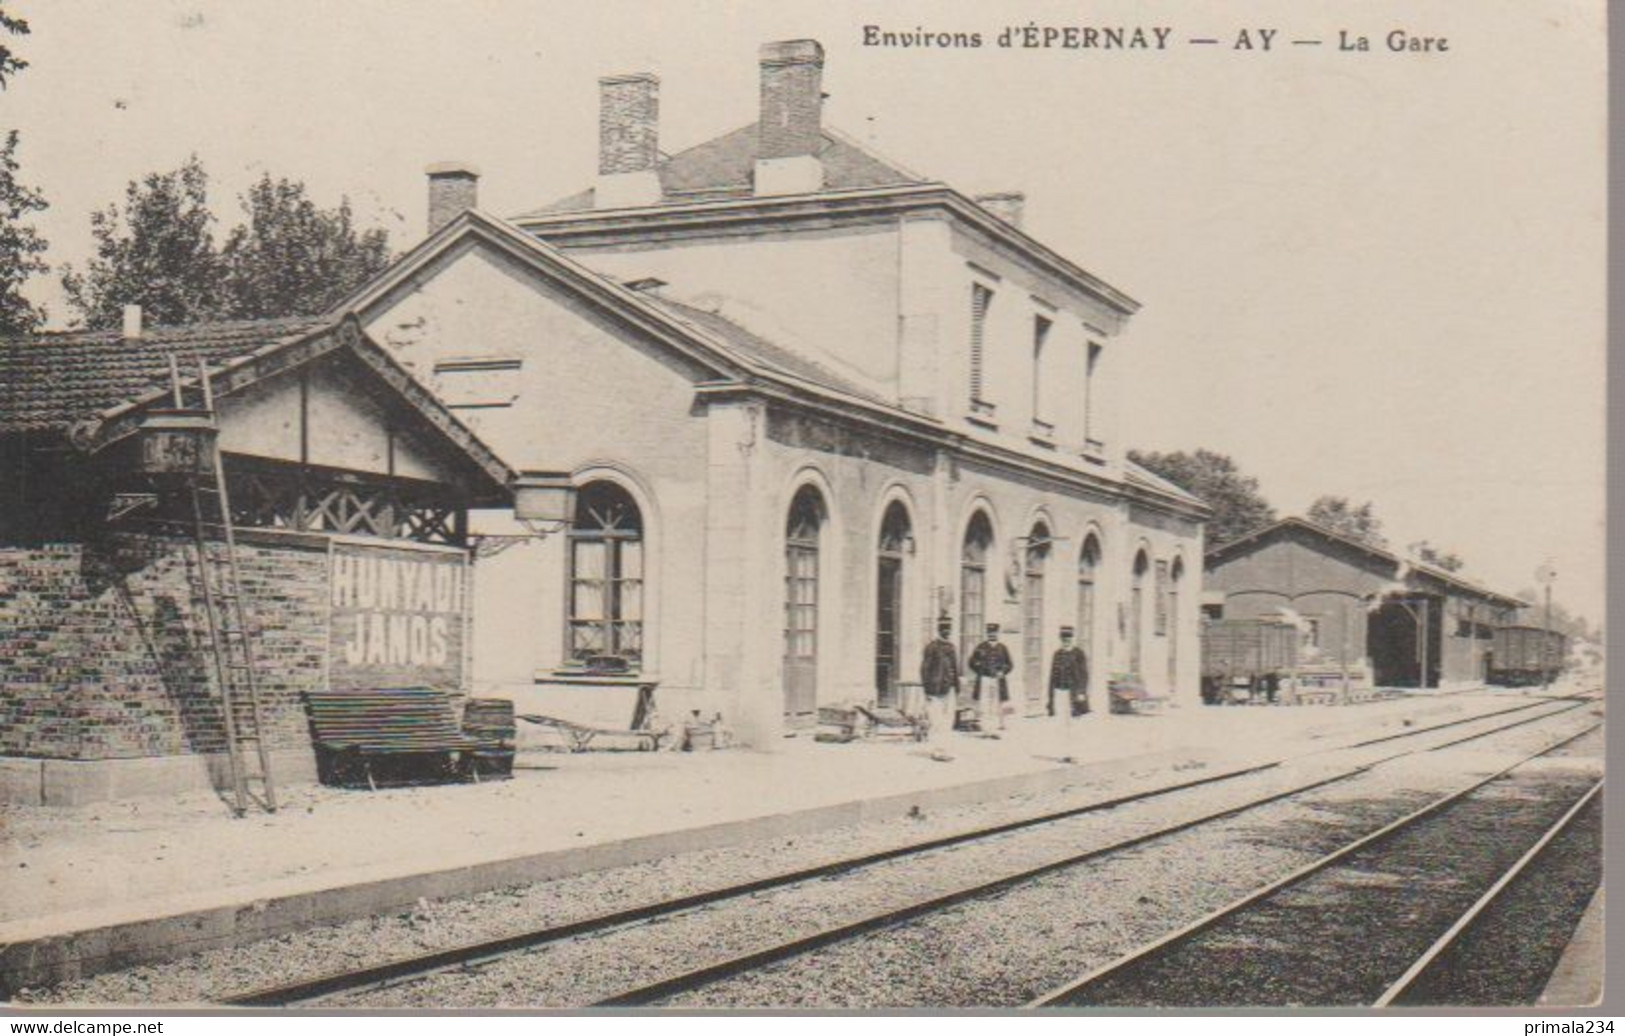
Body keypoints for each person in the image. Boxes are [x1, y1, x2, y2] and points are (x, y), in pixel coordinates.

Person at [919, 616, 961, 761]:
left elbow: (955, 669)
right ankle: (937, 751)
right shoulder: (932, 647)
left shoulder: (951, 647)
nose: (946, 632)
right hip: (935, 691)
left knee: (948, 721)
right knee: (936, 722)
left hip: (949, 689)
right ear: (939, 629)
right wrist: (928, 691)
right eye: (943, 629)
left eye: (948, 629)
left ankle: (945, 749)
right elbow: (924, 670)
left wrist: (956, 686)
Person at [1048, 625, 1090, 763]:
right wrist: (1051, 697)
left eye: (1069, 638)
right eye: (1064, 639)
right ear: (1061, 639)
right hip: (1060, 692)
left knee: (1073, 723)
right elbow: (1052, 676)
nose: (1067, 641)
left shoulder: (1079, 654)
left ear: (1073, 638)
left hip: (1073, 694)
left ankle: (1075, 753)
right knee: (1061, 723)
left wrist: (1082, 692)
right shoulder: (1057, 654)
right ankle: (1064, 753)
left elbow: (1084, 675)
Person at [968, 622, 1013, 732]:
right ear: (987, 633)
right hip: (985, 679)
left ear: (997, 633)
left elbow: (1010, 664)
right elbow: (971, 662)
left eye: (994, 633)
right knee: (984, 703)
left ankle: (996, 726)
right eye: (990, 633)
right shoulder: (981, 647)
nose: (992, 635)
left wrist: (1003, 672)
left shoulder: (1003, 648)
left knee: (997, 702)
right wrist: (980, 670)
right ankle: (985, 727)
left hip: (998, 680)